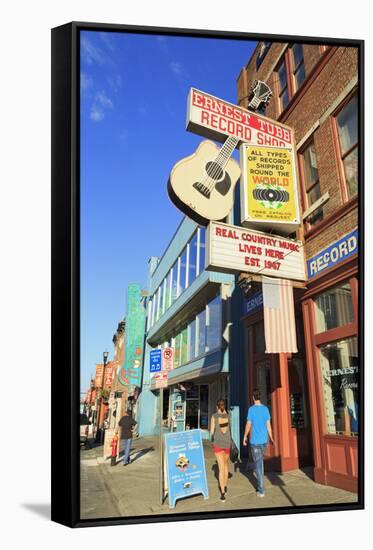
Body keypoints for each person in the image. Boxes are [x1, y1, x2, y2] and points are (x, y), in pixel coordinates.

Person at [243, 388, 274, 497]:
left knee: (259, 465)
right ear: (260, 397)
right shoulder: (265, 409)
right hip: (264, 441)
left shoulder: (251, 409)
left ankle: (261, 490)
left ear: (253, 398)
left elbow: (248, 424)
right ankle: (260, 486)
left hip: (255, 441)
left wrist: (244, 436)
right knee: (260, 463)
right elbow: (268, 425)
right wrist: (271, 437)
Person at [210, 398, 231, 502]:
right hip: (227, 444)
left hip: (218, 444)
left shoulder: (214, 417)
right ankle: (225, 486)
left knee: (221, 468)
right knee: (226, 465)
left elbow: (211, 432)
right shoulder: (228, 416)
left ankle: (222, 493)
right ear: (224, 406)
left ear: (217, 406)